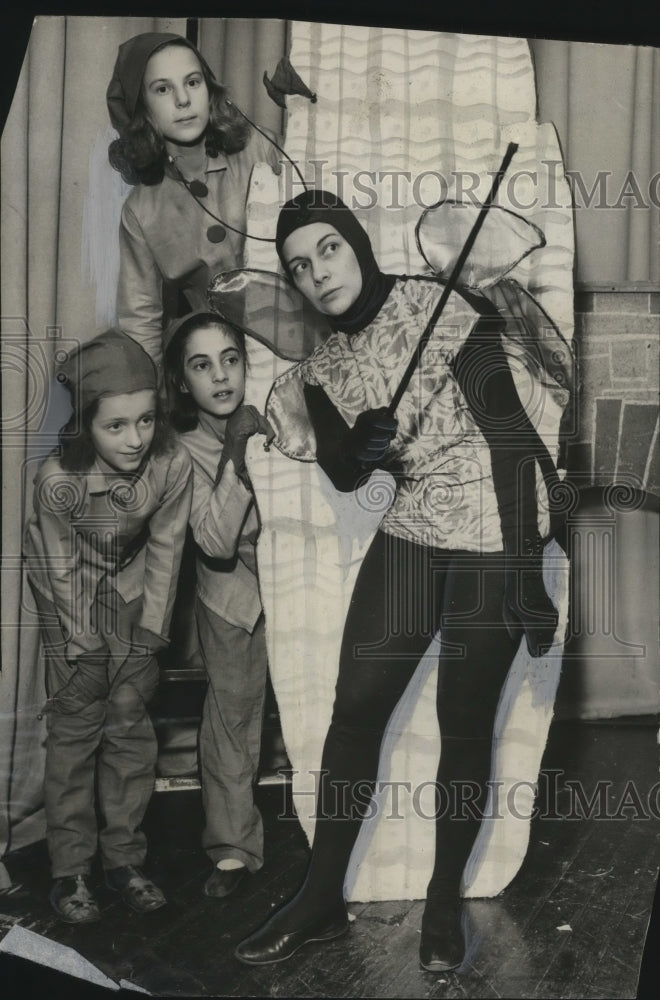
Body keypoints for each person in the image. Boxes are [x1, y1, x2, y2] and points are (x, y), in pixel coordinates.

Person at [234, 190, 562, 971]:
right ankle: (319, 898)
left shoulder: (442, 306)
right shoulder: (321, 368)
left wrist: (526, 575)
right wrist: (366, 446)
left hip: (495, 516)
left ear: (357, 244)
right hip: (417, 520)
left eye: (329, 250)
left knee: (464, 717)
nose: (318, 275)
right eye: (300, 268)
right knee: (357, 707)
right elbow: (346, 472)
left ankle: (444, 899)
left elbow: (513, 437)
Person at [23, 330, 192, 924]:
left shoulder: (172, 464)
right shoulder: (54, 479)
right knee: (75, 728)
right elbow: (62, 566)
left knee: (128, 721)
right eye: (115, 426)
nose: (135, 439)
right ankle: (70, 869)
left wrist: (151, 633)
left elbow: (169, 548)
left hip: (130, 579)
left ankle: (123, 860)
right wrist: (83, 645)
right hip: (62, 581)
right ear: (85, 427)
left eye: (146, 421)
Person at [163, 311, 273, 898]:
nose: (221, 376)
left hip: (300, 587)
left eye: (230, 359)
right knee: (231, 720)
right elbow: (212, 540)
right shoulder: (180, 452)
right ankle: (232, 847)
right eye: (202, 365)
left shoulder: (278, 417)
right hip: (232, 600)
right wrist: (236, 449)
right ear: (182, 382)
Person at [106, 31, 281, 378]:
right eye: (163, 89)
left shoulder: (262, 149)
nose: (183, 99)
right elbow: (141, 322)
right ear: (141, 108)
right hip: (218, 371)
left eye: (192, 82)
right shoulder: (140, 212)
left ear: (209, 90)